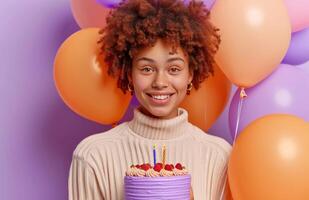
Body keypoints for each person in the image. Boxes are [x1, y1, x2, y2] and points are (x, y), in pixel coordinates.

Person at [68, 0, 231, 199]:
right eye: (146, 69)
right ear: (129, 73)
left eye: (174, 69)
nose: (160, 82)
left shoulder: (218, 156)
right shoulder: (93, 156)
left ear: (190, 74)